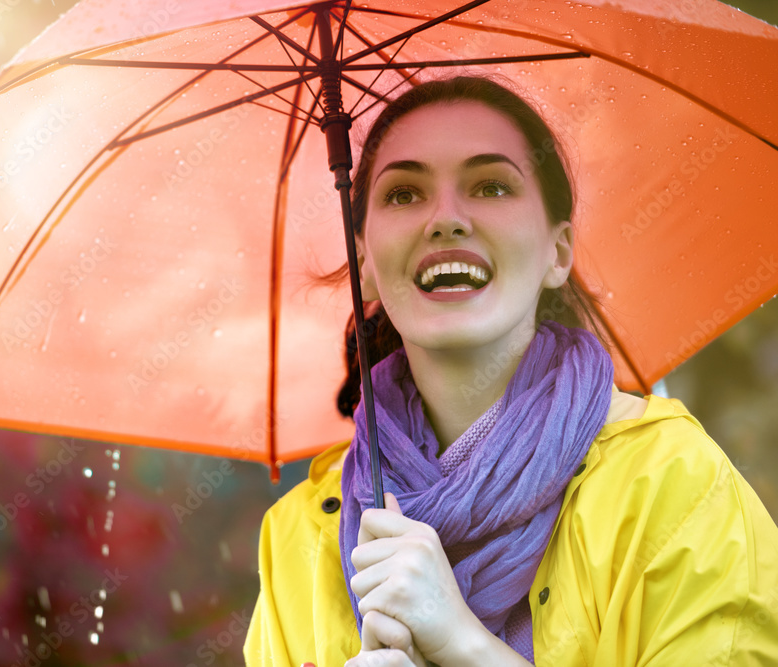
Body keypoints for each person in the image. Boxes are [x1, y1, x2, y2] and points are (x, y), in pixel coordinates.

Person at [243, 77, 778, 666]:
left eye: (491, 186)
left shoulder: (671, 483)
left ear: (559, 252)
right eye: (403, 194)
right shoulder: (298, 537)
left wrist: (463, 644)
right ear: (364, 262)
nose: (445, 219)